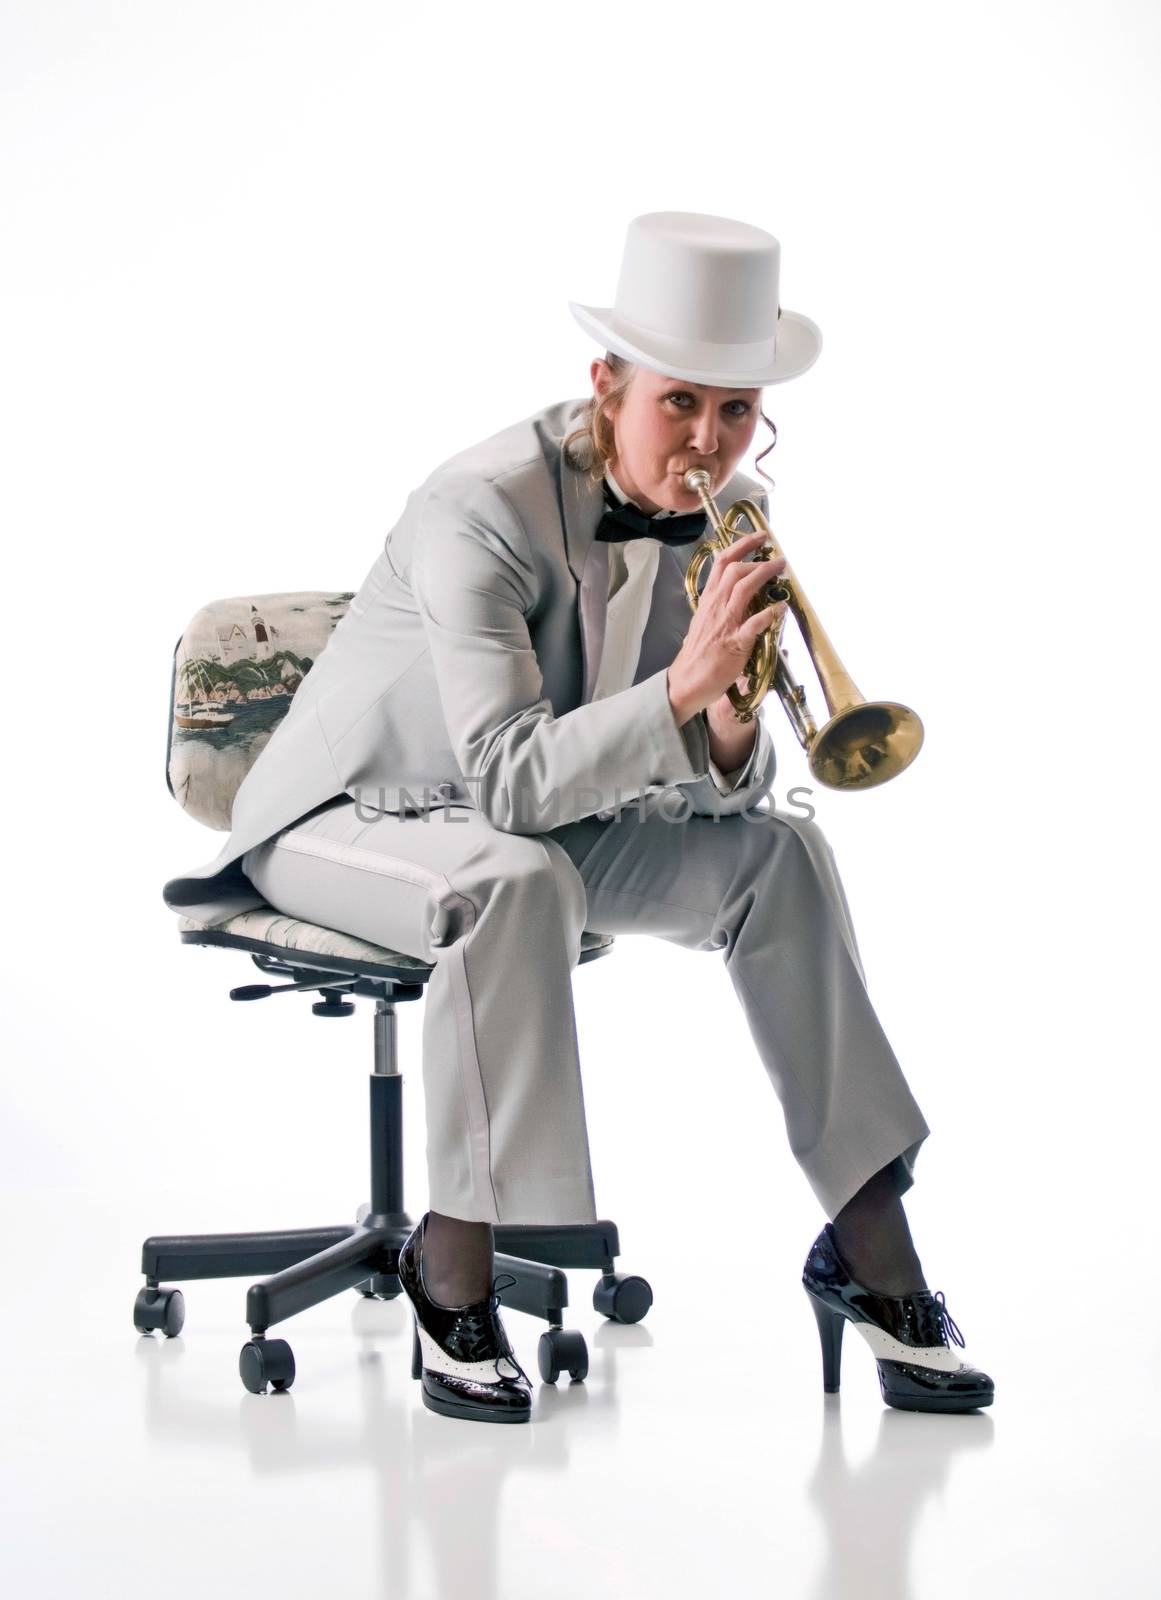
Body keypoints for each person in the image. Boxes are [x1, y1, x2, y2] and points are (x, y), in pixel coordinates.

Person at [164, 211, 994, 1425]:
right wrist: (682, 689)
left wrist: (721, 720)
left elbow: (715, 771)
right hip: (347, 815)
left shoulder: (726, 507)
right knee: (517, 881)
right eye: (681, 405)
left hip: (538, 812)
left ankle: (872, 1253)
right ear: (607, 383)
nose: (708, 441)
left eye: (737, 409)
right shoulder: (476, 507)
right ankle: (451, 1270)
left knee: (783, 853)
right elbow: (503, 778)